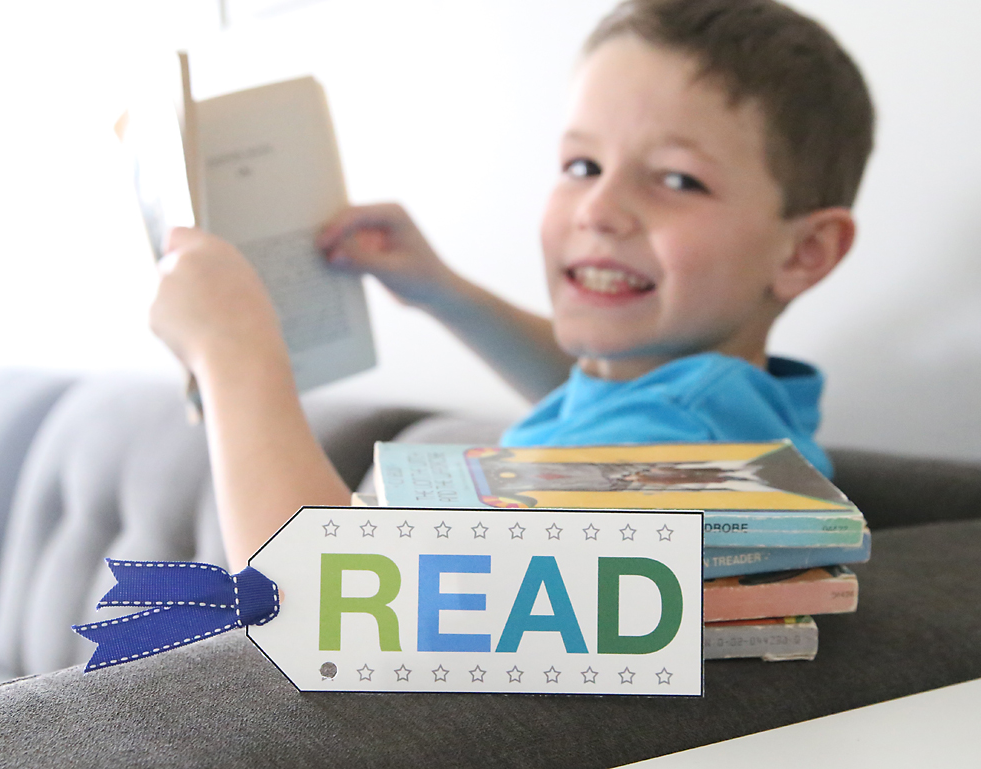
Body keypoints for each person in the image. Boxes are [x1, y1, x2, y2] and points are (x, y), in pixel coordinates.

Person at [149, 0, 874, 571]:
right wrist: (443, 292)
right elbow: (597, 397)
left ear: (806, 250)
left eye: (678, 179)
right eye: (582, 166)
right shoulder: (708, 403)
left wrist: (233, 353)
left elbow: (311, 598)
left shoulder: (677, 447)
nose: (598, 209)